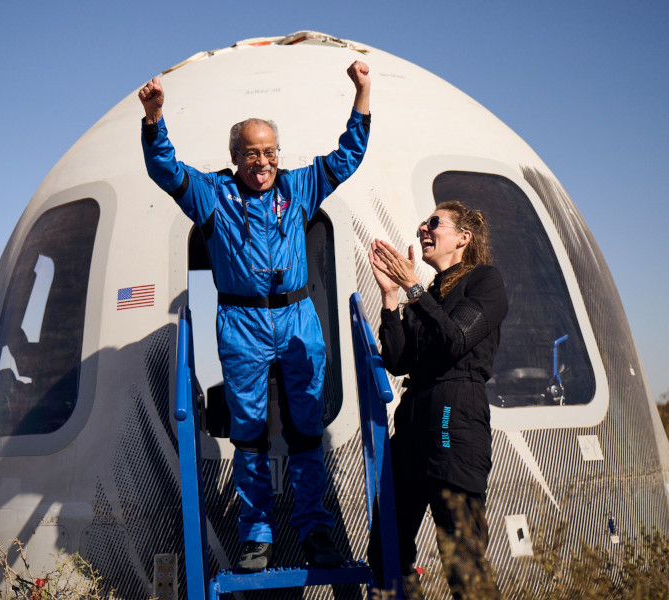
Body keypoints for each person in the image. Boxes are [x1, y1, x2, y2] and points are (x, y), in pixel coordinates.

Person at [138, 60, 371, 573]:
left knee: (307, 431)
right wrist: (155, 119)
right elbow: (166, 171)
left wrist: (363, 92)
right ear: (234, 157)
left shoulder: (299, 189)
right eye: (250, 153)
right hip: (241, 325)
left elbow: (350, 154)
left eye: (268, 152)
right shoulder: (214, 196)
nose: (261, 161)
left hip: (297, 319)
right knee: (248, 435)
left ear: (277, 154)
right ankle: (256, 537)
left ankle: (315, 530)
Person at [367, 201, 507, 596]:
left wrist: (413, 288)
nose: (423, 230)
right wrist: (391, 297)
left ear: (464, 237)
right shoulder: (424, 295)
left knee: (462, 561)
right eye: (422, 224)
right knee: (386, 554)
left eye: (433, 223)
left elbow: (456, 338)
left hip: (453, 418)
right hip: (413, 421)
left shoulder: (485, 282)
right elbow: (398, 360)